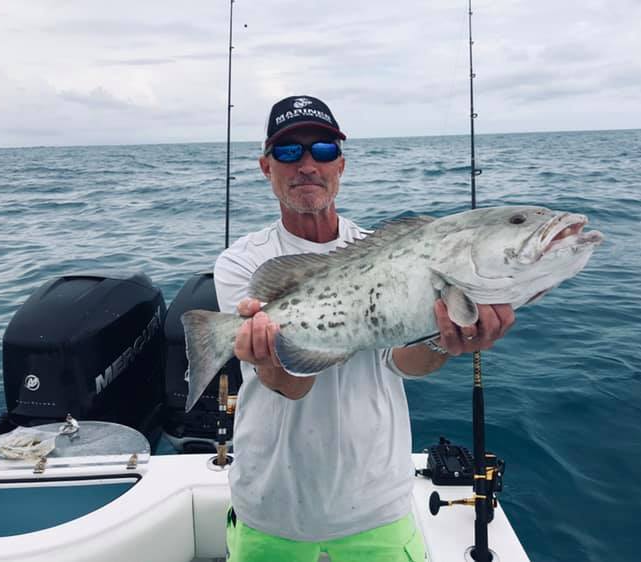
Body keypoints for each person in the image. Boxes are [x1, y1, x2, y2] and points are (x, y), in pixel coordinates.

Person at [214, 95, 515, 562]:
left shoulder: (380, 251)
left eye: (324, 151)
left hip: (377, 506)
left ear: (342, 165)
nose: (307, 165)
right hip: (272, 508)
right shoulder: (243, 263)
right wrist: (272, 360)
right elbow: (287, 386)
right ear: (265, 167)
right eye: (290, 152)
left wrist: (443, 340)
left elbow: (401, 362)